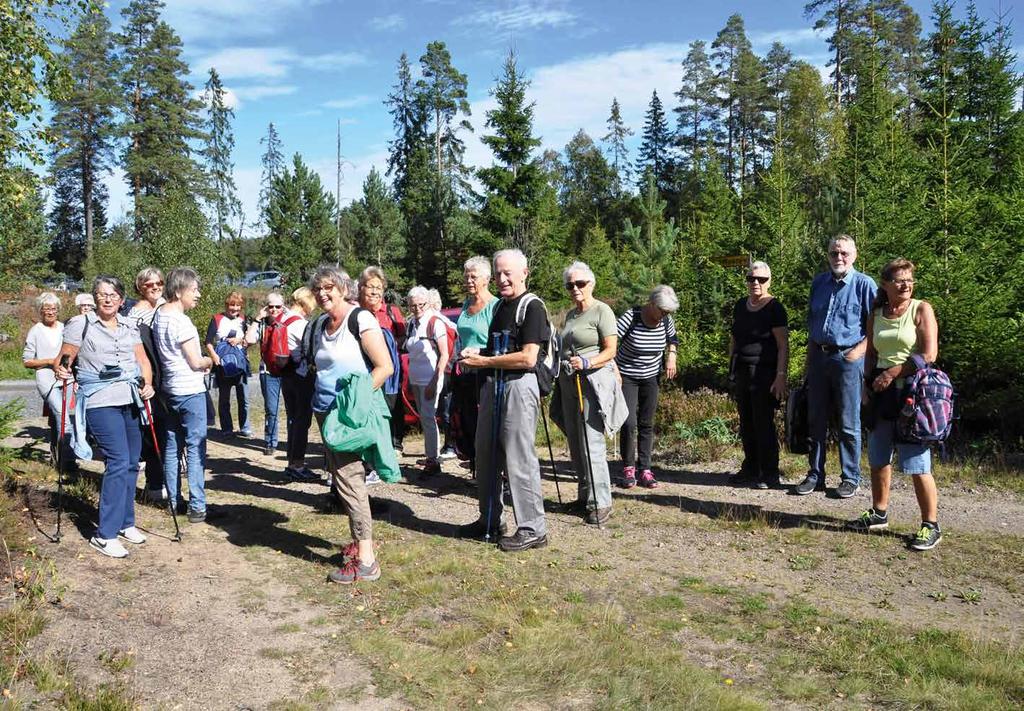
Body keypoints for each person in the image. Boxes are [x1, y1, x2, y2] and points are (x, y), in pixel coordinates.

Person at [54, 276, 155, 558]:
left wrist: (147, 383)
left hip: (130, 398)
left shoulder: (129, 325)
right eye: (101, 294)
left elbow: (142, 361)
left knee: (133, 461)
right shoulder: (81, 324)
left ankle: (126, 522)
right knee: (118, 460)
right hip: (99, 401)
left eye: (112, 294)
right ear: (95, 298)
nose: (107, 299)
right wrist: (62, 369)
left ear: (122, 300)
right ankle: (104, 534)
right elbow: (64, 358)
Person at [460, 249, 550, 552]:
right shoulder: (500, 307)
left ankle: (533, 528)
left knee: (519, 459)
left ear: (524, 273)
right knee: (484, 455)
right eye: (498, 273)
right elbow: (493, 349)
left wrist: (484, 363)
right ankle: (489, 520)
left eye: (508, 273)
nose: (502, 278)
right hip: (493, 386)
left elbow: (528, 358)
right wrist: (477, 355)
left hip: (519, 387)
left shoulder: (533, 307)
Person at [850, 259, 942, 550]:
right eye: (900, 280)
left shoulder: (921, 309)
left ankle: (930, 525)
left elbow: (929, 354)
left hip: (912, 394)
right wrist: (865, 386)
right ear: (886, 285)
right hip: (880, 393)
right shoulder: (877, 313)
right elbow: (871, 353)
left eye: (910, 280)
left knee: (916, 462)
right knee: (878, 457)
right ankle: (878, 512)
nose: (906, 285)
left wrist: (893, 372)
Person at [309, 265, 393, 583]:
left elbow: (383, 367)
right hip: (324, 412)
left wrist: (353, 404)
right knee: (342, 484)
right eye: (318, 289)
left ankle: (367, 561)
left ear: (343, 288)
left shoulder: (361, 319)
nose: (323, 293)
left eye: (329, 287)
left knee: (350, 481)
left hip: (347, 416)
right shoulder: (320, 324)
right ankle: (360, 545)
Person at [796, 235, 877, 498]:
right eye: (834, 253)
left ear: (854, 255)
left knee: (847, 421)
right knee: (815, 419)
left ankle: (850, 477)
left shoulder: (865, 285)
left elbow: (875, 327)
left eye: (843, 253)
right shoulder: (819, 283)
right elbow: (812, 326)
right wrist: (808, 365)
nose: (838, 258)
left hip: (847, 360)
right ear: (828, 255)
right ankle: (815, 475)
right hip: (819, 357)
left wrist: (858, 354)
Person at [550, 261, 625, 526]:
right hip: (570, 382)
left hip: (592, 382)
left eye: (580, 283)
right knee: (575, 441)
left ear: (591, 284)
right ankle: (584, 497)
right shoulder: (571, 315)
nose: (575, 288)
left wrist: (588, 362)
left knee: (591, 441)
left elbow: (611, 350)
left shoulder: (601, 310)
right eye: (570, 284)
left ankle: (601, 502)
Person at [153, 268, 214, 524]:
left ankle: (174, 501)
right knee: (195, 447)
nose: (198, 294)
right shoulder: (181, 321)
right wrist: (209, 360)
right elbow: (194, 362)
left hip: (169, 390)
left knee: (171, 446)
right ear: (179, 291)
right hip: (189, 390)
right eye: (194, 290)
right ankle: (197, 506)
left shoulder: (159, 316)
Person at [728, 262, 789, 489]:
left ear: (769, 281)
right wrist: (731, 365)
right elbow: (734, 338)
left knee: (763, 423)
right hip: (742, 370)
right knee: (746, 422)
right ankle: (751, 468)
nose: (756, 283)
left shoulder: (775, 308)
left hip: (765, 373)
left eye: (761, 279)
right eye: (751, 278)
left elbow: (783, 345)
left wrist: (780, 375)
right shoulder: (740, 306)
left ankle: (770, 472)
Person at [615, 285, 679, 489]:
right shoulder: (631, 316)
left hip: (651, 377)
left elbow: (673, 338)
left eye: (668, 312)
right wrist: (613, 368)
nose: (664, 315)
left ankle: (645, 469)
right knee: (628, 423)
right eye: (662, 310)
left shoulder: (666, 319)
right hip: (626, 376)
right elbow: (609, 339)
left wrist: (672, 356)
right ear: (651, 304)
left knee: (646, 423)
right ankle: (628, 468)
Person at [452, 256, 498, 473]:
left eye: (474, 276)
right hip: (465, 372)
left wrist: (479, 352)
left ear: (487, 279)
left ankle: (496, 470)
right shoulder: (465, 304)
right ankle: (477, 466)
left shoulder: (495, 306)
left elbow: (498, 342)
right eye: (466, 276)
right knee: (468, 421)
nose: (469, 280)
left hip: (486, 371)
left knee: (486, 424)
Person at [126, 267, 169, 502]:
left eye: (159, 283)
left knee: (168, 432)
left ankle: (165, 481)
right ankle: (153, 485)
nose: (155, 287)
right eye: (149, 284)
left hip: (169, 377)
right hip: (148, 379)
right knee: (151, 434)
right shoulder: (134, 316)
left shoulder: (166, 307)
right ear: (140, 287)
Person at [356, 267, 407, 451]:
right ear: (361, 287)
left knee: (391, 406)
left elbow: (403, 337)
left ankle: (394, 444)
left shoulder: (391, 311)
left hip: (389, 370)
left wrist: (386, 345)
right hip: (363, 368)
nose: (375, 291)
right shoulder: (355, 312)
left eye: (379, 287)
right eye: (371, 286)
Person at [22, 292, 73, 466]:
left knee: (58, 418)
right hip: (46, 378)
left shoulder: (64, 328)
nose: (50, 312)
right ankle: (68, 459)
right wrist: (50, 361)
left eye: (53, 309)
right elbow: (27, 361)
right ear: (40, 311)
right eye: (46, 309)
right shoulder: (36, 330)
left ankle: (56, 456)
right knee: (62, 415)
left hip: (67, 377)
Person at [405, 286, 450, 475]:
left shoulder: (434, 322)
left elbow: (445, 354)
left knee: (428, 417)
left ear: (427, 303)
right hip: (416, 378)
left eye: (421, 304)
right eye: (413, 305)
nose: (417, 309)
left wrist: (435, 380)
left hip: (431, 378)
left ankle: (433, 461)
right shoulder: (411, 324)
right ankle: (430, 455)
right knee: (424, 418)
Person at [244, 292, 292, 457]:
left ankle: (293, 444)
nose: (274, 310)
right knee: (271, 409)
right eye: (270, 306)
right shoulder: (262, 324)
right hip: (268, 372)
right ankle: (271, 442)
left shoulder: (289, 321)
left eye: (277, 306)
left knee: (292, 409)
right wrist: (258, 319)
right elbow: (249, 340)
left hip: (288, 371)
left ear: (283, 307)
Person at [280, 287, 318, 481]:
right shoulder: (301, 324)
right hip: (301, 375)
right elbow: (311, 349)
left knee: (293, 419)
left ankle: (292, 462)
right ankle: (298, 464)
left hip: (285, 374)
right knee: (302, 420)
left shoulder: (283, 319)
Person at [205, 291, 252, 438]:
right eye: (232, 305)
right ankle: (227, 428)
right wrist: (214, 356)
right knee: (224, 398)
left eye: (238, 306)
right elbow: (208, 341)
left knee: (243, 397)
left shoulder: (243, 320)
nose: (235, 309)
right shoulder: (217, 319)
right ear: (227, 305)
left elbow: (248, 339)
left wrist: (240, 340)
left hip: (240, 363)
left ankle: (245, 427)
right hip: (223, 364)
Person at [427, 288, 459, 460]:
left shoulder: (437, 322)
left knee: (445, 409)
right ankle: (449, 444)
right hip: (449, 369)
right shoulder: (447, 321)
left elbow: (444, 352)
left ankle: (450, 445)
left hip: (445, 370)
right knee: (445, 409)